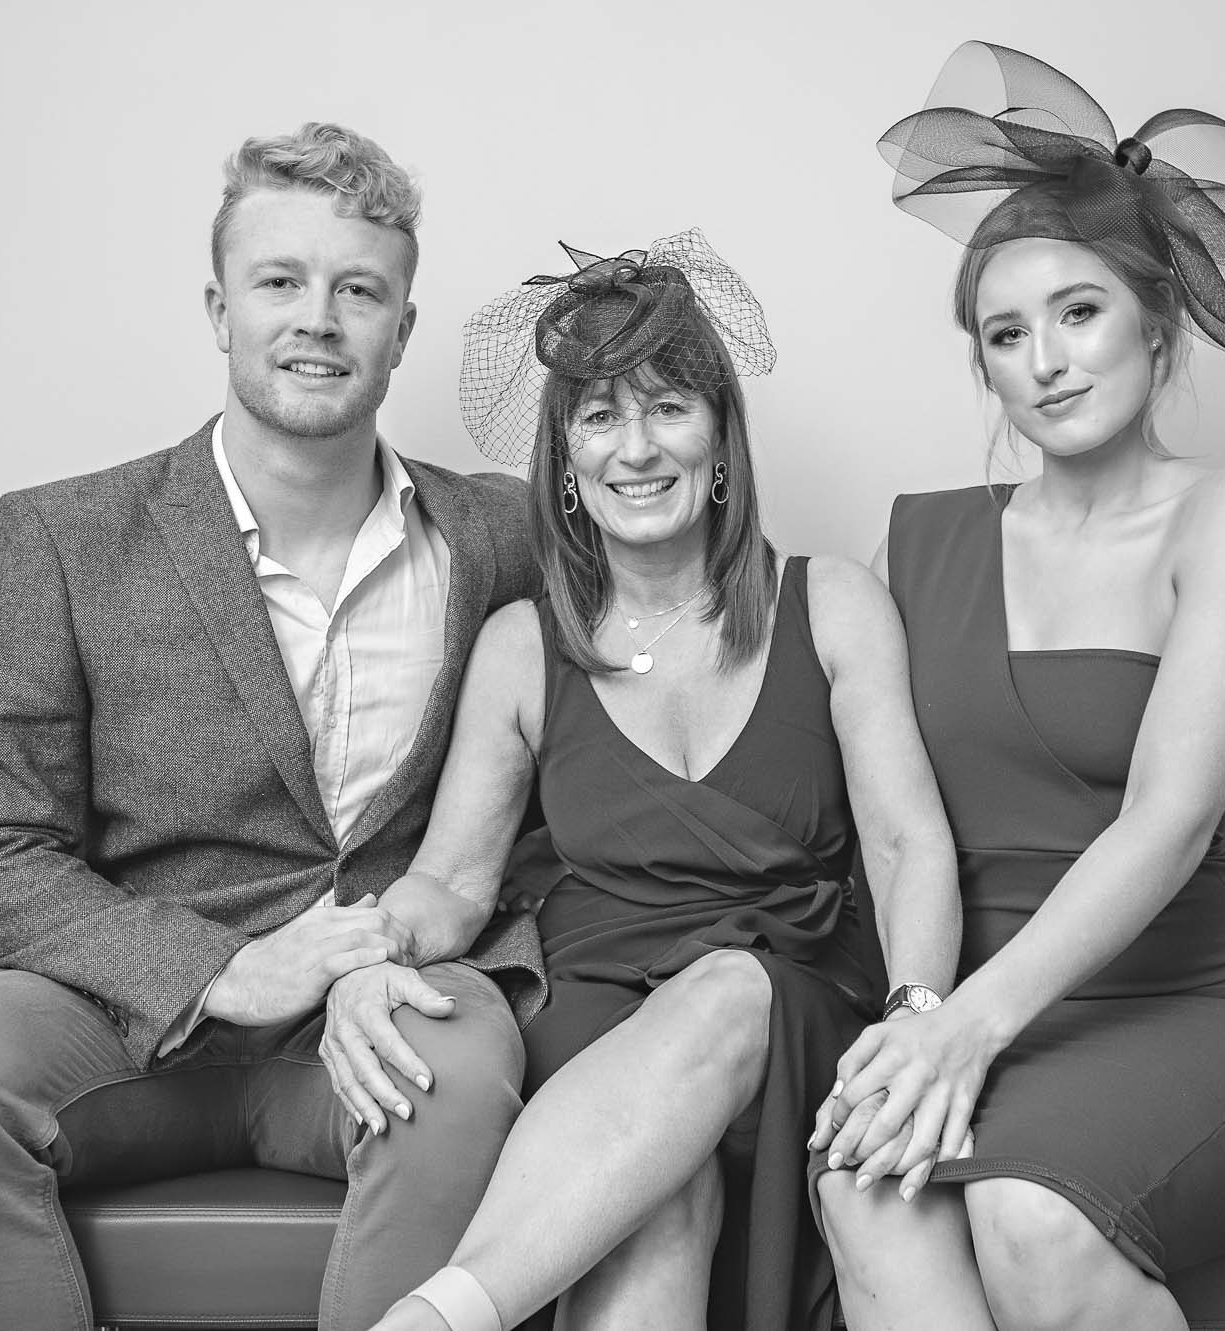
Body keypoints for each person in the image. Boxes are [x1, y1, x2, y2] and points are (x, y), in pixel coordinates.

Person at [0, 122, 543, 1331]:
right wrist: (217, 968)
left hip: (386, 997)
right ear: (220, 309)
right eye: (280, 282)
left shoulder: (502, 536)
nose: (317, 318)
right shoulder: (62, 536)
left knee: (463, 1072)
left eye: (358, 290)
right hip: (117, 1010)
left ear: (402, 332)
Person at [810, 42, 1225, 1331]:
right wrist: (918, 1014)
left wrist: (966, 1031)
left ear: (1154, 322)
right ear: (981, 366)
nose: (1044, 358)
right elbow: (886, 821)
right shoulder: (916, 542)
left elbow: (1165, 823)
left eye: (1077, 312)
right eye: (1006, 332)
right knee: (863, 1182)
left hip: (1191, 1003)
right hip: (960, 995)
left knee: (1028, 1211)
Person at [349, 232, 958, 1331]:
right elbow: (450, 881)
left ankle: (439, 1316)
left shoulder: (832, 604)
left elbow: (910, 844)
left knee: (728, 985)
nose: (636, 446)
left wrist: (918, 1018)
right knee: (651, 1194)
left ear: (720, 440)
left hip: (790, 1018)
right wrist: (362, 958)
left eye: (668, 406)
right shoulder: (518, 645)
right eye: (598, 417)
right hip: (598, 1029)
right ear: (566, 465)